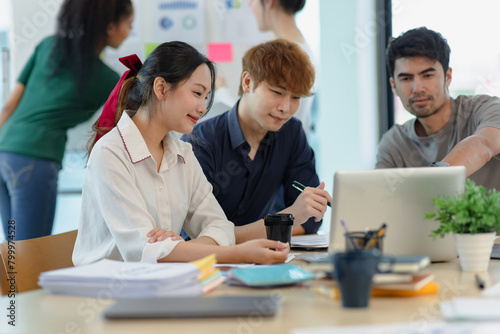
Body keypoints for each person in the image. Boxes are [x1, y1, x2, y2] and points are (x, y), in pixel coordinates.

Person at [72, 41, 290, 265]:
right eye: (197, 93)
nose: (203, 107)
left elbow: (221, 227)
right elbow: (143, 250)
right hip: (107, 289)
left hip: (159, 282)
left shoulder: (183, 153)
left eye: (206, 97)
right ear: (161, 88)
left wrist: (181, 248)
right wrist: (238, 253)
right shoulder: (111, 153)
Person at [0, 0, 135, 240]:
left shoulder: (47, 45)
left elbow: (10, 105)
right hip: (36, 158)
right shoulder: (107, 78)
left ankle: (11, 280)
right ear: (110, 27)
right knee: (30, 249)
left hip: (4, 150)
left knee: (12, 247)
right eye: (128, 24)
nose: (129, 32)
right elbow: (119, 122)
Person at [182, 39, 332, 244]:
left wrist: (291, 219)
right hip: (207, 264)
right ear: (247, 82)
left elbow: (311, 219)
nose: (286, 108)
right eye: (277, 92)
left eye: (296, 97)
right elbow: (201, 237)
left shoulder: (291, 133)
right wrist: (286, 220)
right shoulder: (200, 142)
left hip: (261, 258)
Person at [376, 27, 500, 190]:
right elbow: (379, 198)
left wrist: (434, 179)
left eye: (427, 75)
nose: (417, 88)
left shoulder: (486, 109)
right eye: (406, 78)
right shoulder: (393, 143)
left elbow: (484, 143)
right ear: (394, 86)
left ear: (447, 77)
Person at [250, 0, 317, 136]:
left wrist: (220, 91)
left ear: (269, 2)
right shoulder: (299, 49)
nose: (251, 5)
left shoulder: (290, 59)